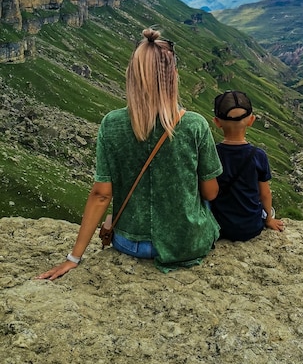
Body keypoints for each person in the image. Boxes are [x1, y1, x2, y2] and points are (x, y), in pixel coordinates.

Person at [37, 28, 222, 279]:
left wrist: (73, 258)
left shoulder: (111, 123)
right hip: (185, 243)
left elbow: (102, 194)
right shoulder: (195, 124)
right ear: (173, 76)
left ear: (132, 76)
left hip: (129, 243)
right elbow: (210, 192)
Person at [210, 90, 284, 241]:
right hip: (251, 228)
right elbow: (265, 194)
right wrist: (269, 220)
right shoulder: (258, 155)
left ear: (217, 122)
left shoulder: (212, 153)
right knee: (265, 210)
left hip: (220, 226)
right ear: (251, 120)